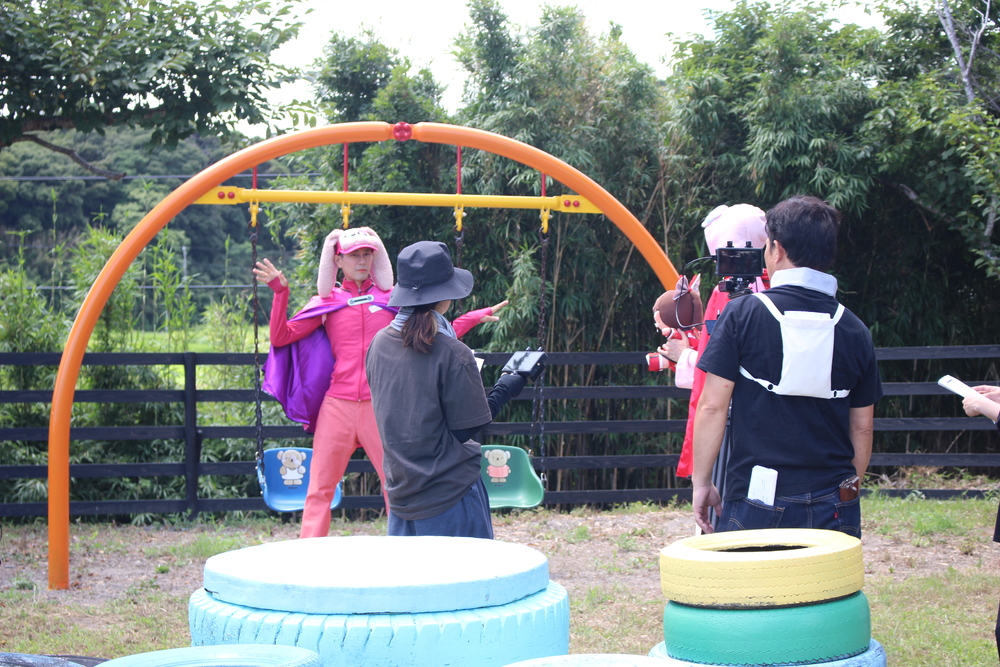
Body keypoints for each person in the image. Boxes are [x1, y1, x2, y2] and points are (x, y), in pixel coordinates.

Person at [254, 227, 504, 539]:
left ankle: (402, 550)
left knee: (397, 485)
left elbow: (432, 335)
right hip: (338, 405)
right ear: (337, 261)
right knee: (319, 488)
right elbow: (281, 337)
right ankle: (308, 557)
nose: (361, 261)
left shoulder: (392, 300)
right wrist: (280, 293)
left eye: (367, 254)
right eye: (354, 255)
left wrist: (472, 317)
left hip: (381, 406)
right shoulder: (327, 302)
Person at [691, 195, 883, 536]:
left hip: (757, 494)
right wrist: (848, 489)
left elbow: (712, 407)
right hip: (835, 496)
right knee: (829, 575)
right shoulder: (855, 328)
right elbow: (863, 428)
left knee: (750, 573)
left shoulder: (743, 314)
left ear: (776, 249)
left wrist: (702, 482)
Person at [365, 240, 541, 539]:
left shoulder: (379, 342)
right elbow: (466, 428)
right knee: (466, 571)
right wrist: (508, 385)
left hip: (402, 491)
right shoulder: (452, 351)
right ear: (445, 296)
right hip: (449, 494)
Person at [663, 204, 770, 479]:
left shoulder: (725, 293)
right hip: (770, 416)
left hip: (730, 414)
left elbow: (720, 361)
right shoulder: (778, 285)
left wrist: (684, 356)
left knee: (723, 487)